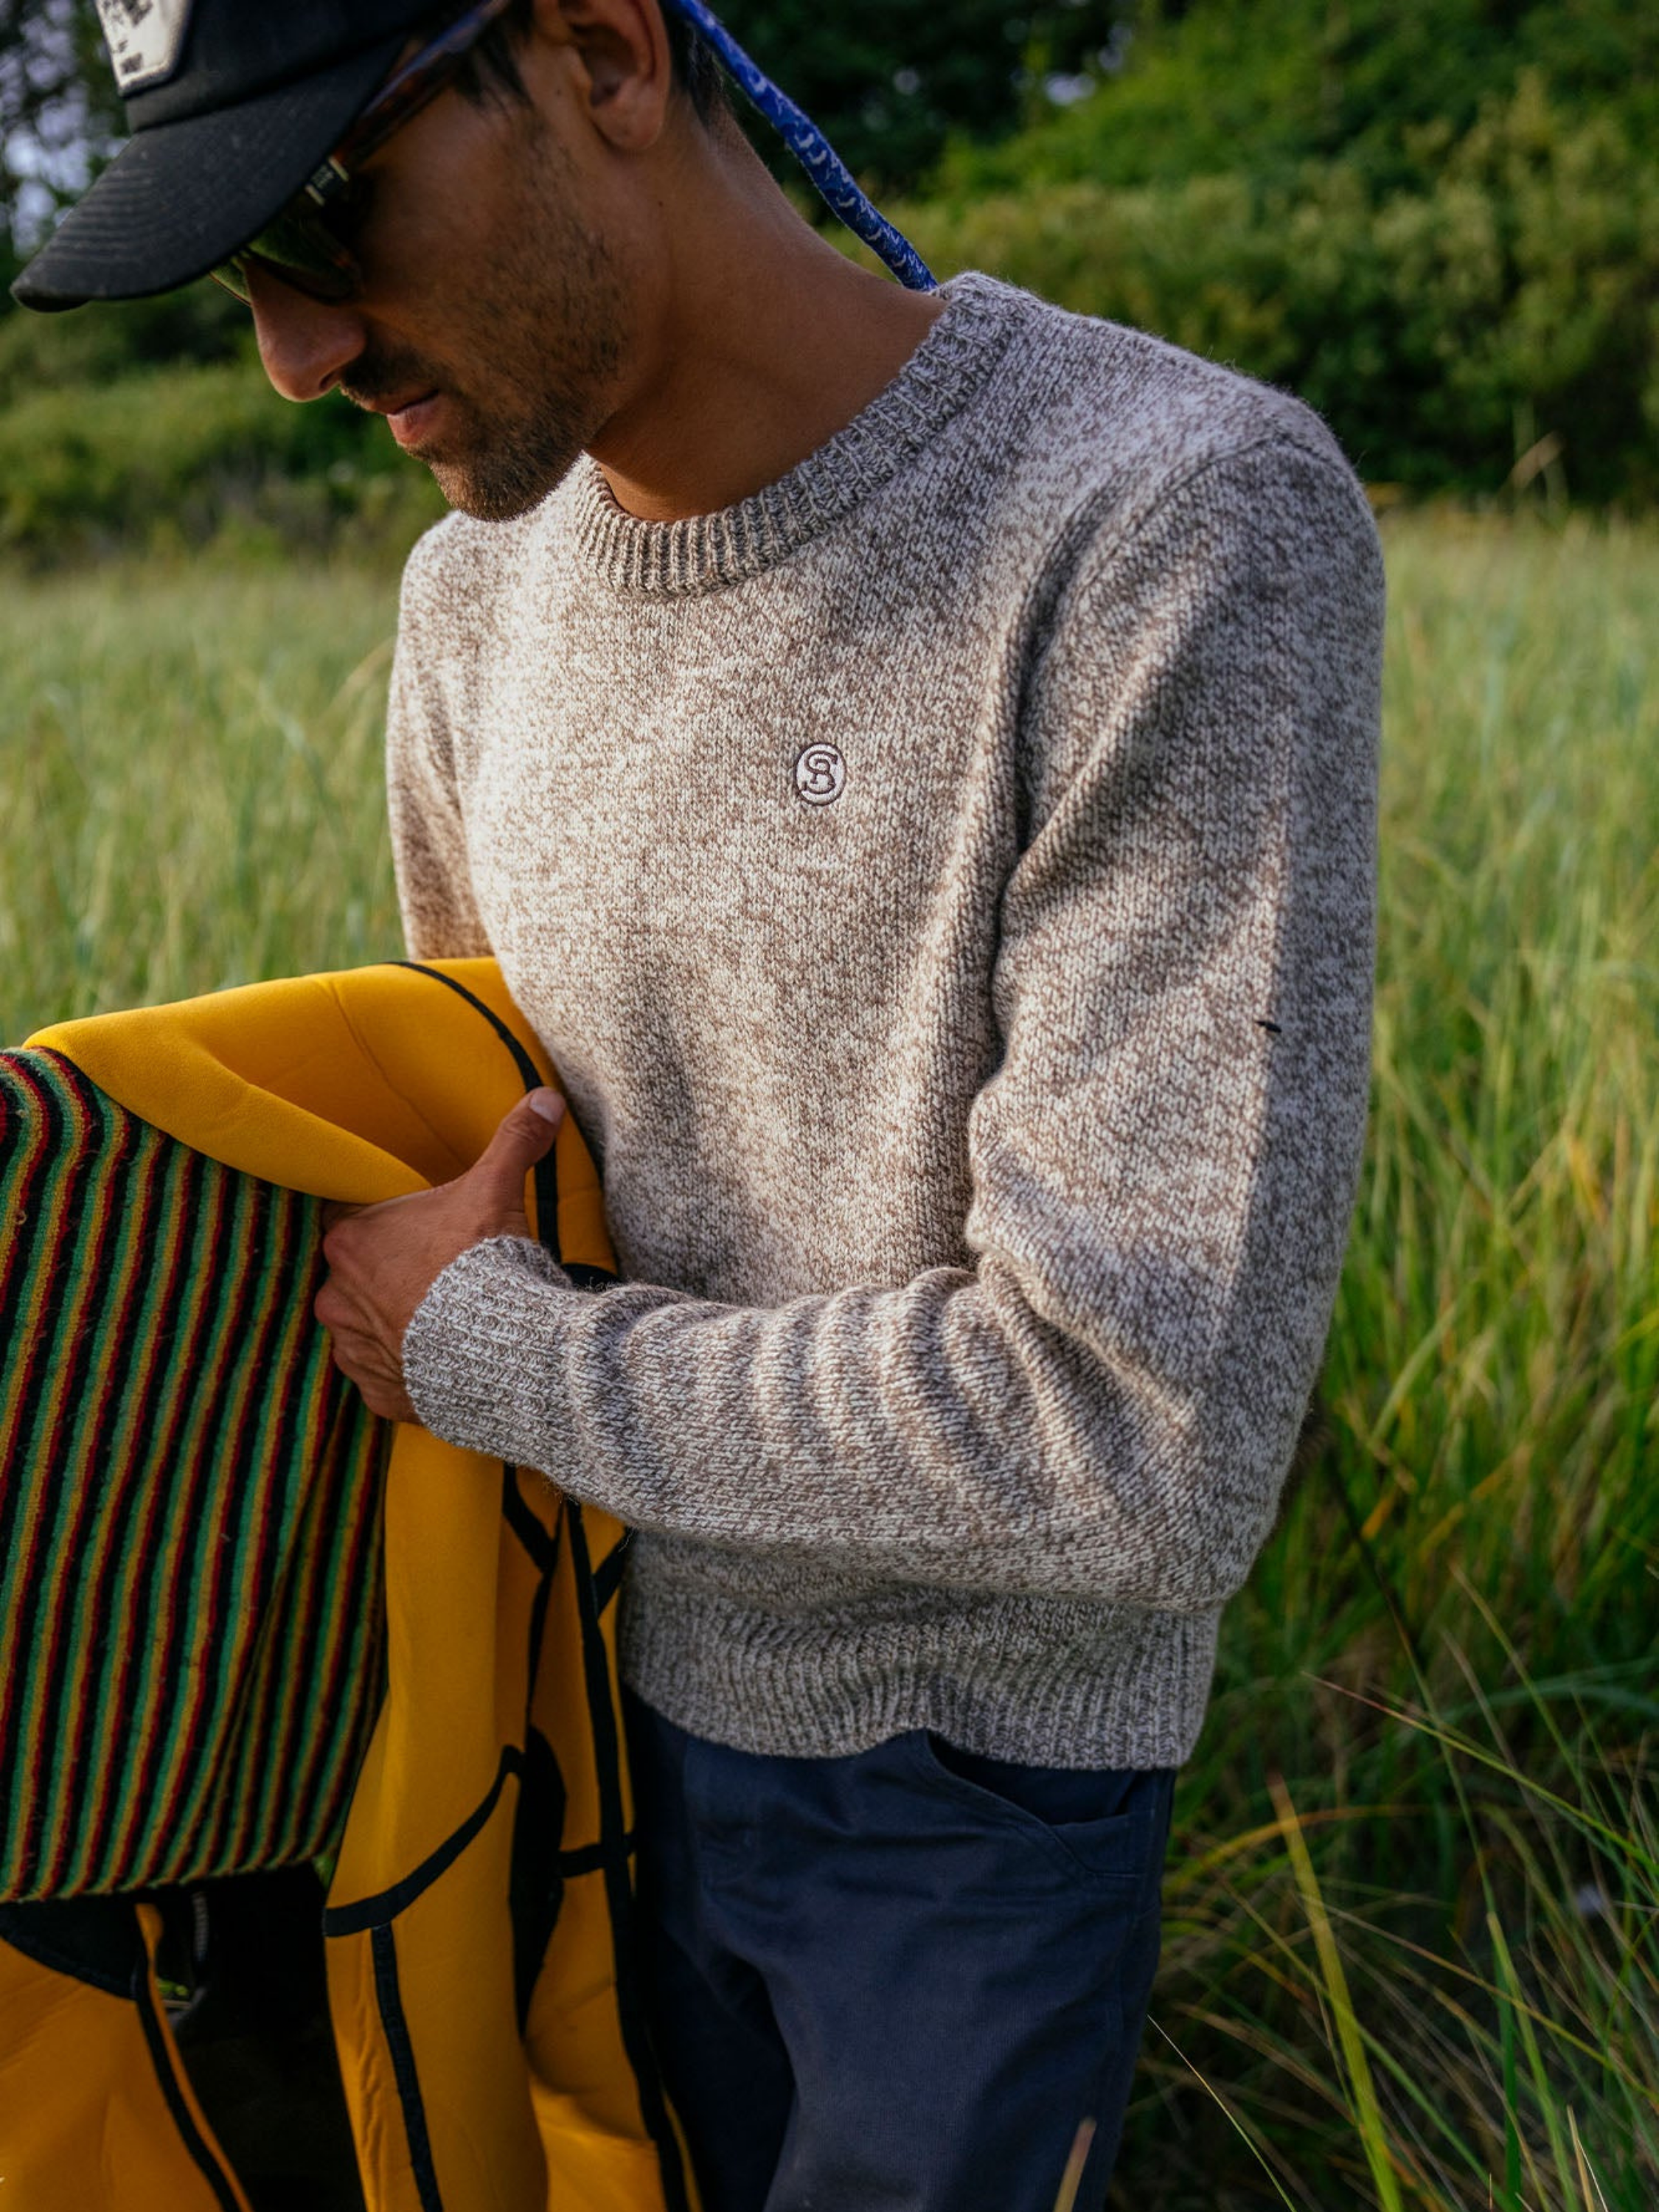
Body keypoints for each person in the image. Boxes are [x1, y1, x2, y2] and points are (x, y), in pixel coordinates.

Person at [13, 1, 1385, 2204]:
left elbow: (1143, 1445)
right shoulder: (468, 603)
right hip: (547, 1741)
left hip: (963, 1817)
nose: (291, 348)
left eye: (325, 211)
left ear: (602, 53)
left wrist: (490, 1355)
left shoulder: (1166, 522)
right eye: (237, 270)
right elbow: (489, 1161)